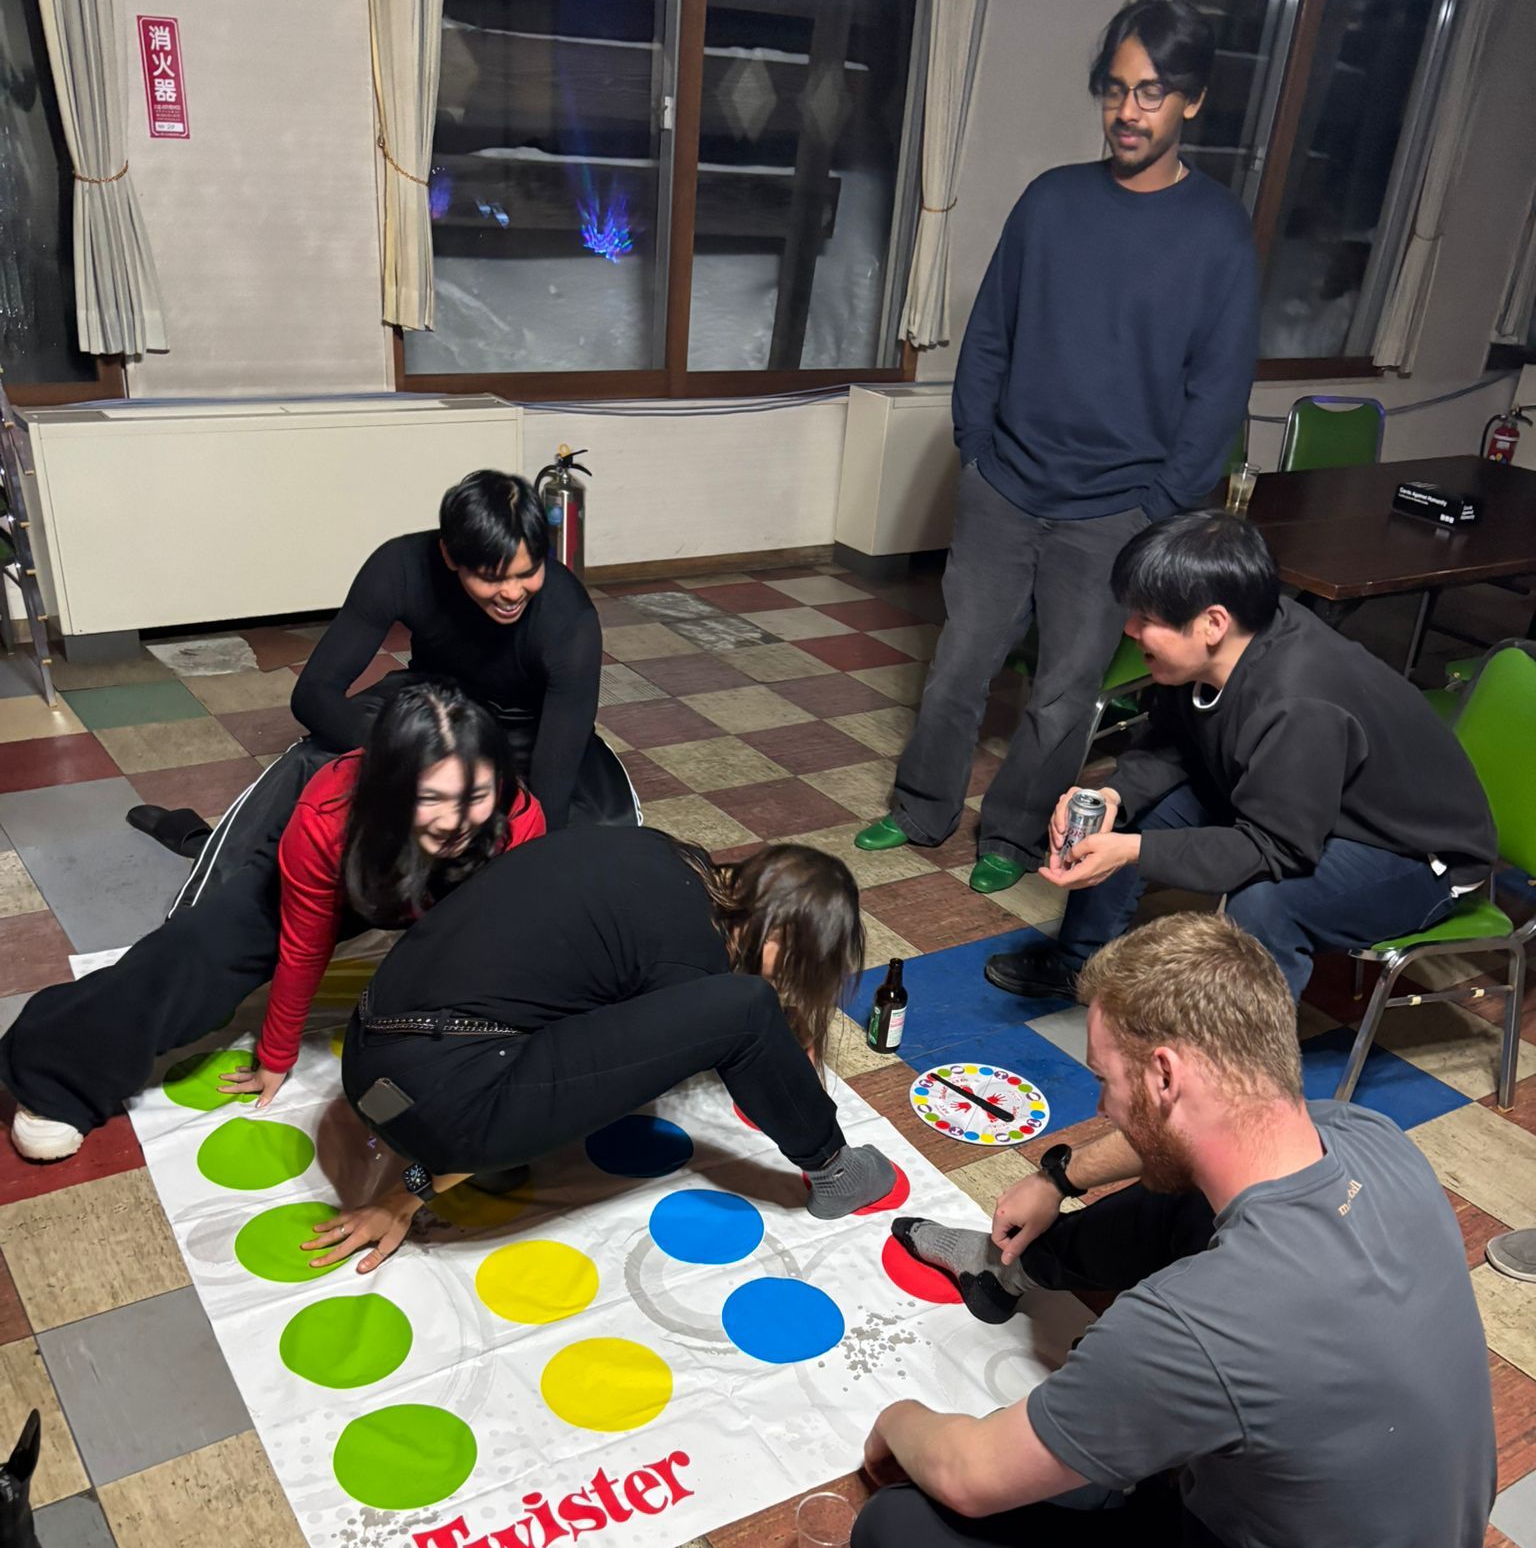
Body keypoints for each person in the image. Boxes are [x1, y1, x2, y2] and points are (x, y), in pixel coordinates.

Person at [854, 912, 1496, 1548]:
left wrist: (896, 1419)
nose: (1100, 1105)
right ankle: (1014, 1273)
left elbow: (968, 1476)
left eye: (1105, 1080)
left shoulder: (1194, 1321)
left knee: (897, 1532)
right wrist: (1056, 1176)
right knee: (1185, 1196)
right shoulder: (1371, 1142)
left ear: (1164, 1074)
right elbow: (1182, 1155)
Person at [855, 0, 1257, 893]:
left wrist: (1161, 504)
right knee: (958, 665)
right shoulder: (1051, 201)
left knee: (1063, 693)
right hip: (1005, 485)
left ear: (1192, 100)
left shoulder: (1218, 233)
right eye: (1115, 89)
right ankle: (920, 808)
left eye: (1151, 92)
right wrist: (977, 445)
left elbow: (1219, 388)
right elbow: (990, 335)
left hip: (1116, 510)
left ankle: (1010, 833)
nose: (1128, 111)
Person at [301, 829, 899, 1272]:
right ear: (782, 936)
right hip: (437, 1103)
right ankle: (835, 1169)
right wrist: (403, 1196)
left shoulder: (662, 854)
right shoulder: (692, 962)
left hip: (370, 1053)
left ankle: (477, 1147)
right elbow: (740, 1018)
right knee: (744, 1009)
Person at [1, 685, 544, 1160]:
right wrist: (277, 1053)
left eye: (476, 796)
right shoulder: (327, 816)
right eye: (432, 799)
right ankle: (53, 1074)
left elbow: (507, 942)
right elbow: (305, 946)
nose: (456, 821)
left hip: (447, 897)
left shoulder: (518, 820)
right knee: (196, 947)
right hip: (354, 873)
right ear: (388, 788)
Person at [986, 511, 1498, 1003]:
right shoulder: (1223, 646)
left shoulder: (1297, 703)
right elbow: (1171, 742)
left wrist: (1135, 851)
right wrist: (1112, 797)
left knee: (1265, 903)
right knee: (1129, 809)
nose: (1130, 629)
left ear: (1213, 622)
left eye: (1147, 618)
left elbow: (1277, 848)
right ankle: (1079, 966)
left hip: (1413, 854)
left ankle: (1240, 1056)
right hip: (1306, 806)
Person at [133, 467, 634, 866]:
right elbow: (314, 694)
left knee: (593, 842)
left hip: (527, 727)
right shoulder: (401, 566)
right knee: (312, 765)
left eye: (528, 573)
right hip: (429, 706)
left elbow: (554, 773)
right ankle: (214, 858)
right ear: (450, 555)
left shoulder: (568, 618)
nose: (512, 593)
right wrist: (415, 759)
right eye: (491, 577)